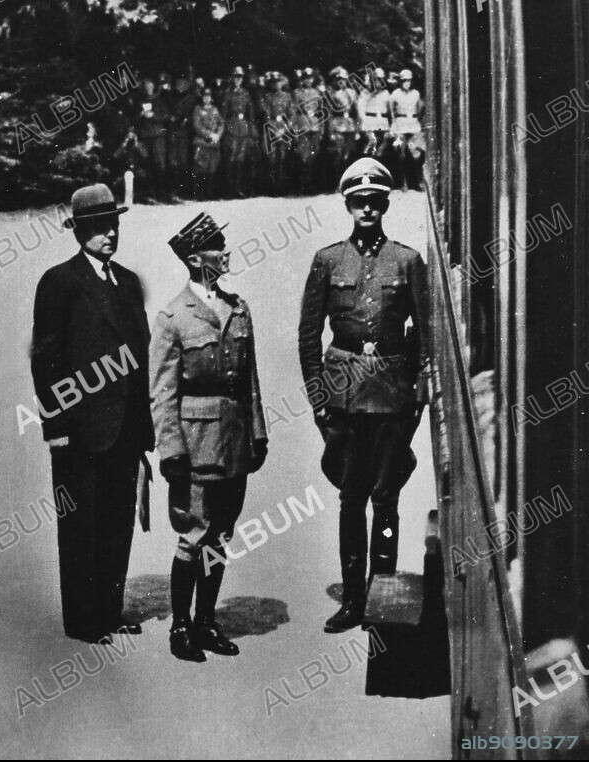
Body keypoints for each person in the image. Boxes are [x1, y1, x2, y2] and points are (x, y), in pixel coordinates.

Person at [297, 158, 430, 633]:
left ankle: (382, 593)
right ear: (348, 206)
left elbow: (427, 334)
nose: (367, 209)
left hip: (392, 397)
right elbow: (308, 335)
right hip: (344, 398)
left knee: (386, 497)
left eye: (374, 201)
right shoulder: (328, 260)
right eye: (359, 202)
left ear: (385, 205)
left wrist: (418, 395)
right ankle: (353, 597)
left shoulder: (407, 261)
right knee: (351, 498)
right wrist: (319, 399)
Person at [30, 184, 155, 645]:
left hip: (125, 429)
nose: (110, 234)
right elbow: (46, 360)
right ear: (79, 232)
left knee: (118, 523)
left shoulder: (128, 282)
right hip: (80, 430)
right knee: (81, 525)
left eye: (113, 225)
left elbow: (141, 359)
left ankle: (110, 610)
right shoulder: (59, 281)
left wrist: (144, 430)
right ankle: (84, 622)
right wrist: (56, 427)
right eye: (100, 227)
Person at [150, 213, 268, 663]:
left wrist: (258, 432)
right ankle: (180, 626)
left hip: (234, 441)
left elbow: (250, 379)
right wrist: (171, 451)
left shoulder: (238, 308)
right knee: (193, 535)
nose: (225, 253)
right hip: (195, 444)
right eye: (217, 247)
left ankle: (206, 621)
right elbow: (162, 393)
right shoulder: (172, 317)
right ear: (197, 259)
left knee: (220, 535)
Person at [220, 66, 258, 198]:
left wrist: (251, 127)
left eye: (240, 77)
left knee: (240, 159)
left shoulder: (245, 93)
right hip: (231, 126)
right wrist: (224, 129)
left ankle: (238, 188)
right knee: (231, 157)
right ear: (232, 78)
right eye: (236, 77)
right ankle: (229, 189)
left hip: (243, 127)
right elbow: (223, 114)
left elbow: (250, 112)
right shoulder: (227, 93)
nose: (238, 80)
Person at [390, 69, 426, 190]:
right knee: (401, 155)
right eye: (405, 81)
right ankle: (402, 183)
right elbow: (392, 111)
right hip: (400, 124)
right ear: (401, 81)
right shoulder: (395, 94)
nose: (407, 83)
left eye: (409, 81)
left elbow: (420, 109)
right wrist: (394, 125)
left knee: (416, 154)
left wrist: (417, 120)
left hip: (413, 124)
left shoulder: (416, 94)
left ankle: (416, 182)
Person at [135, 77, 170, 202]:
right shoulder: (140, 101)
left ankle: (162, 192)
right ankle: (151, 193)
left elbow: (166, 116)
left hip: (158, 136)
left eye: (150, 85)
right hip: (146, 136)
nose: (148, 87)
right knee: (149, 165)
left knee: (161, 164)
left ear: (154, 86)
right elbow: (135, 119)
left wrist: (154, 115)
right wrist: (141, 115)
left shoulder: (159, 100)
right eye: (146, 85)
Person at [291, 67, 324, 193]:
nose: (308, 81)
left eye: (310, 78)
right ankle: (301, 185)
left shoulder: (317, 93)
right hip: (302, 125)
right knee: (302, 155)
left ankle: (310, 184)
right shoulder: (297, 93)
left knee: (313, 155)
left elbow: (321, 111)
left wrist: (321, 128)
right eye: (306, 78)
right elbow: (293, 112)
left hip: (315, 125)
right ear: (302, 79)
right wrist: (294, 129)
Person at [325, 66, 359, 190]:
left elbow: (357, 112)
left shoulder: (352, 93)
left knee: (348, 155)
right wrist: (330, 131)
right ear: (334, 80)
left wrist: (357, 129)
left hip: (350, 125)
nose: (341, 82)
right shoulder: (330, 94)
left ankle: (348, 183)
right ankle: (337, 183)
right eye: (338, 79)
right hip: (337, 124)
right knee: (338, 155)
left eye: (343, 79)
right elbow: (328, 114)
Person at [260, 71, 293, 195]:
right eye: (273, 82)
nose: (276, 85)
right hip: (270, 129)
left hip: (284, 128)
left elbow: (291, 114)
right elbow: (266, 115)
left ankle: (282, 187)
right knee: (271, 159)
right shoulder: (266, 97)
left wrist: (285, 128)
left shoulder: (287, 96)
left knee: (283, 158)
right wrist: (274, 130)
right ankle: (272, 188)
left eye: (278, 82)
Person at [167, 76, 198, 200]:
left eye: (183, 83)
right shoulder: (170, 97)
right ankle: (173, 189)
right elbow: (167, 112)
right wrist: (172, 118)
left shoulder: (191, 98)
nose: (181, 85)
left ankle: (183, 190)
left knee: (183, 162)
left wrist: (187, 119)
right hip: (173, 131)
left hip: (185, 133)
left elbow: (194, 114)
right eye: (179, 83)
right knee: (173, 162)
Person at [192, 87, 224, 200]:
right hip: (202, 142)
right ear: (202, 98)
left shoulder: (215, 109)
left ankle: (210, 193)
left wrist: (218, 135)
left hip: (214, 142)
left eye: (208, 97)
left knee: (212, 168)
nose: (207, 99)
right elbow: (197, 126)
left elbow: (221, 123)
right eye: (205, 97)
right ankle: (200, 194)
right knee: (201, 168)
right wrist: (209, 135)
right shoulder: (197, 109)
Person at [356, 67, 392, 161]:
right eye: (377, 79)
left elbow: (390, 111)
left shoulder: (386, 93)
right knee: (370, 146)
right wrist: (364, 125)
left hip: (382, 124)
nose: (379, 82)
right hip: (369, 123)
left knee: (381, 151)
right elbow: (360, 110)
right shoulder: (365, 93)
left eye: (381, 79)